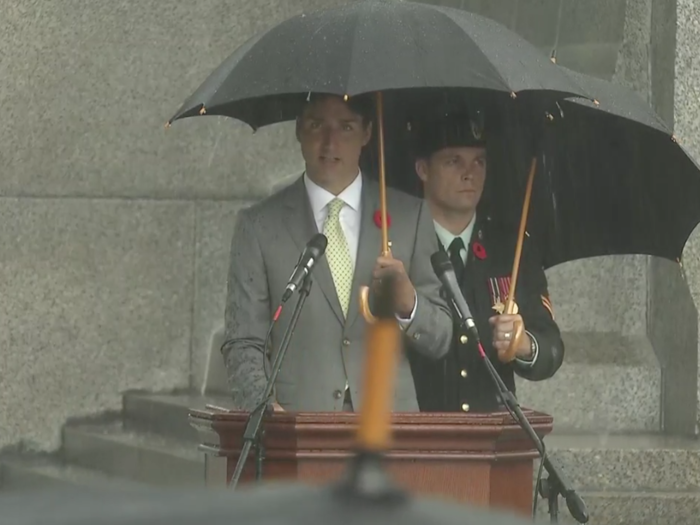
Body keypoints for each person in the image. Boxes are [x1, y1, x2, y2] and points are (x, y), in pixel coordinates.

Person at [222, 93, 453, 413]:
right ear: (299, 130)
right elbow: (244, 340)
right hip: (297, 428)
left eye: (346, 127)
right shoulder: (259, 225)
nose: (330, 144)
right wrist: (262, 407)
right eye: (317, 126)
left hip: (389, 428)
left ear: (367, 133)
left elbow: (441, 336)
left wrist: (408, 304)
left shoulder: (408, 216)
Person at [408, 111, 565, 413]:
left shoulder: (511, 248)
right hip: (417, 435)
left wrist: (523, 344)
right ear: (423, 169)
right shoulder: (402, 244)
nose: (470, 173)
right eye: (454, 161)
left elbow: (552, 349)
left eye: (478, 161)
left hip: (491, 436)